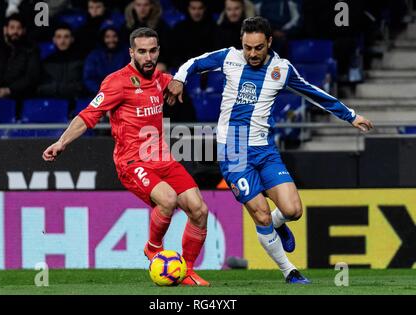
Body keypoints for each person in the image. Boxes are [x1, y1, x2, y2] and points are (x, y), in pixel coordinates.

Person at [166, 17, 374, 284]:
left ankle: (278, 224)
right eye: (247, 47)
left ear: (269, 43)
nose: (252, 53)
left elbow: (313, 92)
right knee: (260, 213)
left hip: (265, 149)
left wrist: (350, 116)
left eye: (258, 48)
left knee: (293, 210)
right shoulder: (228, 58)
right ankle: (290, 271)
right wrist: (179, 78)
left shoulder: (281, 69)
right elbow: (194, 63)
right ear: (241, 42)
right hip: (234, 149)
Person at [42, 27, 210, 286]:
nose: (148, 57)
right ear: (132, 52)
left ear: (158, 51)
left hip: (162, 158)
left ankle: (186, 270)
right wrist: (62, 142)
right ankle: (153, 249)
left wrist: (180, 80)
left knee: (199, 210)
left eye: (153, 51)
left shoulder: (159, 78)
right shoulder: (116, 82)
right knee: (167, 200)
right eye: (142, 51)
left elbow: (184, 74)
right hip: (131, 162)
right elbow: (89, 114)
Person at [0, 13, 40, 101]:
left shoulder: (31, 50)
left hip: (18, 95)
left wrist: (8, 90)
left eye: (19, 28)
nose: (15, 31)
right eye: (12, 27)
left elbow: (32, 77)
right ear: (5, 29)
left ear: (24, 31)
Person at [37, 24, 84, 100]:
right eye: (59, 37)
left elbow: (81, 87)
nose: (62, 41)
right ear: (54, 39)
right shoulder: (47, 62)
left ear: (72, 39)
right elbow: (40, 88)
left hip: (73, 104)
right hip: (51, 103)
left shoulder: (80, 61)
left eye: (66, 37)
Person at [83, 21, 130, 96]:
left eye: (114, 36)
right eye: (107, 37)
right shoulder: (94, 55)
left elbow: (131, 76)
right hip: (99, 96)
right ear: (102, 38)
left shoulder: (127, 53)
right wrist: (102, 92)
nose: (111, 40)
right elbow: (89, 78)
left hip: (123, 96)